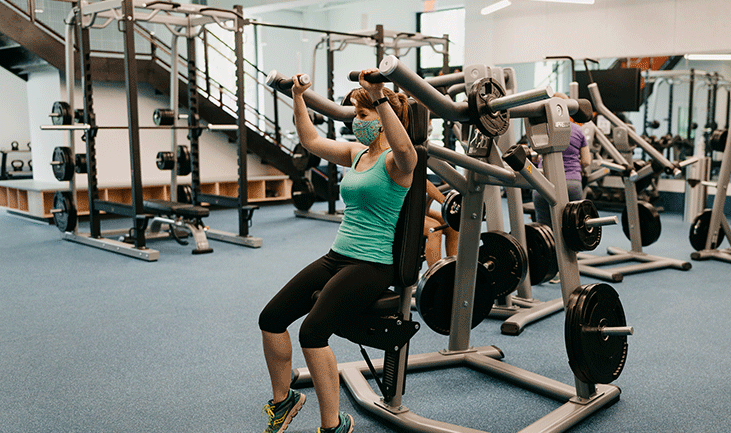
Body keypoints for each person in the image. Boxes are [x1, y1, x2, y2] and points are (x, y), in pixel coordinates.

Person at [258, 69, 417, 433]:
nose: (355, 123)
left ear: (381, 118)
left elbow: (407, 148)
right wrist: (298, 97)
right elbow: (311, 140)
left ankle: (333, 426)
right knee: (271, 319)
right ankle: (284, 402)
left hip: (372, 264)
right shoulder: (356, 153)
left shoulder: (398, 163)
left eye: (362, 116)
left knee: (312, 332)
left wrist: (377, 94)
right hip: (337, 255)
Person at [531, 92, 592, 227]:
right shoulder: (578, 130)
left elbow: (536, 155)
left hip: (544, 183)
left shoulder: (543, 129)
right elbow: (587, 161)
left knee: (544, 229)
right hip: (571, 184)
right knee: (572, 227)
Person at [423, 180, 458, 267]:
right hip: (396, 210)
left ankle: (454, 271)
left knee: (451, 224)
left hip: (414, 206)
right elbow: (425, 183)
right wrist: (446, 203)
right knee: (434, 228)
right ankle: (436, 277)